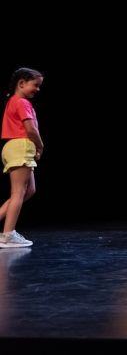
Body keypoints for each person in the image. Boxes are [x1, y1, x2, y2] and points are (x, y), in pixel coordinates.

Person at [0, 68, 45, 248]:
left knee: (29, 190)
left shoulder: (13, 101)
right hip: (21, 145)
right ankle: (8, 234)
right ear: (21, 83)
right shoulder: (22, 102)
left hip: (13, 147)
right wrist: (40, 146)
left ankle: (6, 230)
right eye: (35, 85)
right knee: (18, 192)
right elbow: (31, 129)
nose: (38, 89)